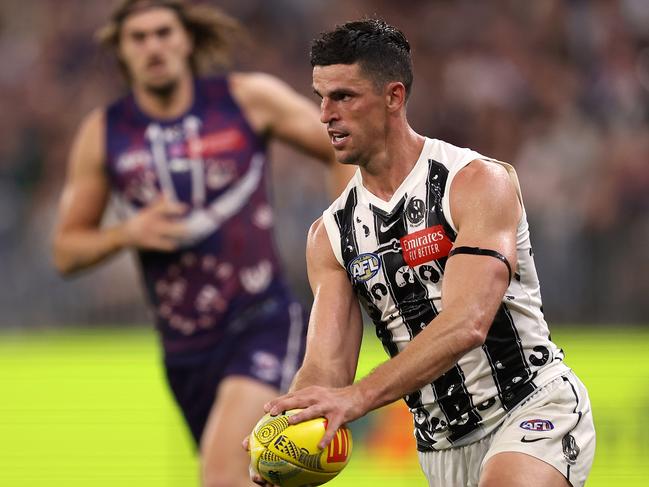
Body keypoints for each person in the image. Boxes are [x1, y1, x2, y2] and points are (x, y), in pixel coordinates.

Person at [252, 18, 596, 487]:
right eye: (321, 98)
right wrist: (286, 430)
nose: (325, 115)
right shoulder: (329, 235)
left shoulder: (474, 182)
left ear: (394, 96)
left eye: (344, 97)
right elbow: (326, 367)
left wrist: (358, 397)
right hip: (440, 448)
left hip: (531, 407)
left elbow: (468, 321)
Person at [52, 1, 351, 486]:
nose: (154, 46)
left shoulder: (246, 99)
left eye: (163, 32)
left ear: (187, 39)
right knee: (259, 478)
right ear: (122, 52)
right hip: (184, 349)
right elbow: (67, 249)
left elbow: (342, 147)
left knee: (221, 476)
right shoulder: (104, 132)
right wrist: (126, 233)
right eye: (139, 37)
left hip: (261, 320)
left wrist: (342, 231)